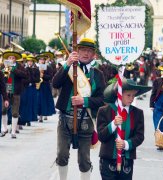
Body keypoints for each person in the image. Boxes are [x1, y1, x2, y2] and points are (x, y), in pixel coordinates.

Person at [52, 38, 106, 180]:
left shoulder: (98, 74)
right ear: (77, 51)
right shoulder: (68, 68)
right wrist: (68, 63)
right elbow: (55, 83)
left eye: (89, 51)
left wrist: (85, 101)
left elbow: (102, 99)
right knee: (62, 155)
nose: (86, 53)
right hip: (65, 119)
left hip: (86, 121)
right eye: (82, 50)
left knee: (84, 160)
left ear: (94, 54)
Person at [97, 78, 151, 180]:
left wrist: (126, 144)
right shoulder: (104, 111)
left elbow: (139, 136)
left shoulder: (137, 113)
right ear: (119, 95)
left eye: (133, 95)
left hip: (127, 161)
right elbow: (101, 136)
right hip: (108, 160)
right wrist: (113, 124)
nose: (131, 98)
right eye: (128, 95)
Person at [1, 51, 27, 138]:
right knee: (3, 110)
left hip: (16, 92)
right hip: (6, 91)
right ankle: (4, 128)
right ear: (7, 59)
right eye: (9, 58)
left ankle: (13, 131)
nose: (11, 59)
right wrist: (3, 71)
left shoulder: (19, 66)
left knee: (15, 112)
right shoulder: (3, 66)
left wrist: (14, 70)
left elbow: (25, 75)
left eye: (13, 58)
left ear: (15, 59)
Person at [0, 70, 9, 137]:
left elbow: (3, 85)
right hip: (5, 92)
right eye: (9, 58)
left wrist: (6, 98)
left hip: (10, 92)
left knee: (4, 111)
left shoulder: (14, 69)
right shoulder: (3, 70)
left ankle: (4, 128)